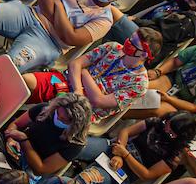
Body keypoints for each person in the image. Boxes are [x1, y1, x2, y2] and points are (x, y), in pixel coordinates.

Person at [0, 0, 129, 72]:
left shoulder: (104, 21)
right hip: (29, 14)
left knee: (10, 65)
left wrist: (58, 4)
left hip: (48, 42)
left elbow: (71, 38)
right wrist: (65, 26)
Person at [24, 29, 158, 121]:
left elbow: (98, 101)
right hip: (66, 82)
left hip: (83, 110)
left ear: (144, 54)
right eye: (130, 38)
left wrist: (84, 73)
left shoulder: (139, 84)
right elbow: (74, 64)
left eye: (133, 43)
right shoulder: (113, 47)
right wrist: (77, 90)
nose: (128, 42)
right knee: (26, 81)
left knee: (51, 115)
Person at [75, 112, 196, 184]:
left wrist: (125, 155)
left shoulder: (174, 156)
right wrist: (120, 154)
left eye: (170, 133)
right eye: (166, 124)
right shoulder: (157, 122)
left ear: (181, 137)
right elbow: (126, 132)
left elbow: (146, 175)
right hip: (117, 148)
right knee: (75, 145)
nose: (165, 129)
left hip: (126, 171)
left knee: (85, 178)